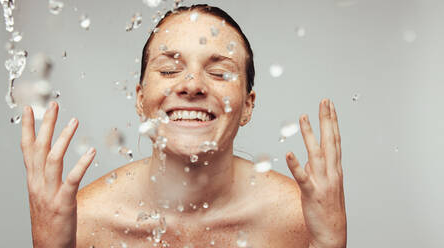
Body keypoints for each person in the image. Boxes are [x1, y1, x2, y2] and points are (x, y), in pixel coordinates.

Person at [20, 4, 347, 248]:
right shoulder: (83, 222)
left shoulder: (299, 216)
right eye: (169, 70)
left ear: (247, 105)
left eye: (219, 73)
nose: (192, 85)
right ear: (140, 98)